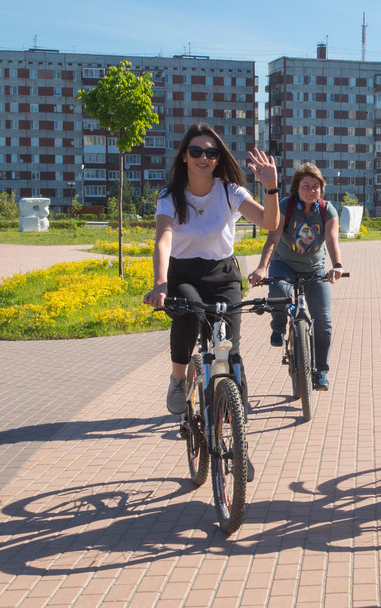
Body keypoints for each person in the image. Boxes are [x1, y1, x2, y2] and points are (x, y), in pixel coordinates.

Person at [143, 124, 281, 416]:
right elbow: (163, 239)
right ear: (184, 156)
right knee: (189, 315)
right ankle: (179, 380)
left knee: (230, 346)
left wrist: (271, 187)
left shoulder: (230, 191)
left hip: (223, 275)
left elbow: (269, 223)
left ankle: (231, 398)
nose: (203, 158)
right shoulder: (170, 196)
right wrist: (160, 283)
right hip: (183, 275)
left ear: (218, 158)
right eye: (196, 152)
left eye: (211, 152)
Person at [247, 162, 345, 391]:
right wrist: (262, 268)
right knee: (279, 292)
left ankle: (320, 371)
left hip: (314, 269)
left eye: (315, 186)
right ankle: (279, 327)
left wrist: (337, 265)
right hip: (284, 266)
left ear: (321, 188)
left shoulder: (327, 209)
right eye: (305, 186)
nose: (310, 190)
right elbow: (272, 240)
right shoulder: (285, 206)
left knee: (323, 320)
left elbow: (331, 239)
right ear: (297, 189)